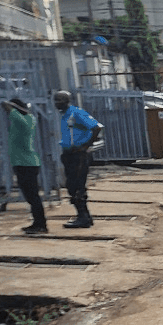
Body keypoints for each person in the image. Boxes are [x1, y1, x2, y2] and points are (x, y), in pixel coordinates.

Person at [53, 90, 102, 228]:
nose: (57, 104)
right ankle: (85, 216)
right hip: (69, 154)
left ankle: (83, 218)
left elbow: (96, 128)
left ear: (66, 101)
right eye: (55, 101)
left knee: (77, 186)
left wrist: (86, 145)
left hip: (78, 154)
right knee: (72, 186)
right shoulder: (64, 115)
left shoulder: (76, 113)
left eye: (60, 101)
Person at [4, 96, 47, 235]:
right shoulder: (27, 119)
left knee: (33, 196)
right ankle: (38, 222)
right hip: (24, 163)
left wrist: (10, 105)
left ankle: (41, 224)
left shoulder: (24, 121)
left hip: (26, 164)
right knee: (31, 196)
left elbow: (6, 106)